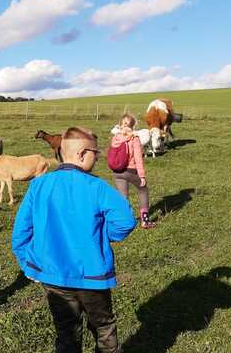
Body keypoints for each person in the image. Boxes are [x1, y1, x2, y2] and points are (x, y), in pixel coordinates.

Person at [12, 127, 136, 353]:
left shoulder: (38, 185)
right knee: (104, 327)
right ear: (81, 154)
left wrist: (29, 263)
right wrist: (103, 235)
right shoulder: (97, 187)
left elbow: (20, 233)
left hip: (54, 276)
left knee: (66, 333)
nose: (97, 157)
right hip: (93, 276)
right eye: (95, 153)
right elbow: (125, 222)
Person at [110, 113, 156, 228]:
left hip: (117, 171)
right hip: (131, 170)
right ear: (133, 126)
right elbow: (138, 158)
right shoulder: (134, 139)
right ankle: (145, 220)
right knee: (143, 190)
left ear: (120, 125)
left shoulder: (115, 138)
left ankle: (123, 222)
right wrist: (142, 175)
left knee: (123, 197)